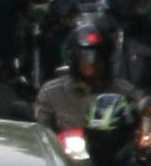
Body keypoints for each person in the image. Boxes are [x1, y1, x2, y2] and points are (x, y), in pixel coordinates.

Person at [33, 15, 112, 149]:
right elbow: (42, 137)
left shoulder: (125, 93)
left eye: (98, 59)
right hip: (66, 162)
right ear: (74, 59)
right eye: (85, 59)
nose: (91, 64)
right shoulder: (51, 93)